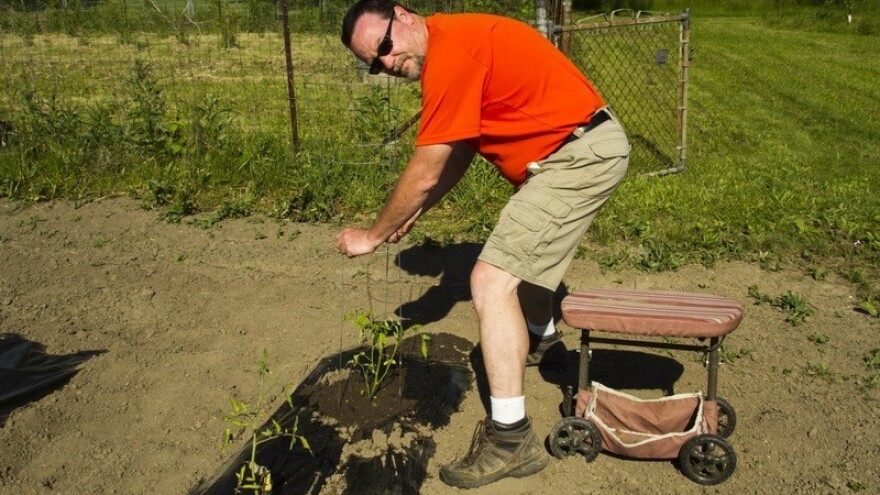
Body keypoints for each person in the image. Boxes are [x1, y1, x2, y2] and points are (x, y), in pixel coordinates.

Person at [336, 0, 629, 488]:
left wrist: (373, 235)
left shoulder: (452, 55)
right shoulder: (456, 41)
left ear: (403, 14)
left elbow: (428, 167)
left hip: (577, 156)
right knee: (520, 257)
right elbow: (457, 153)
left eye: (384, 46)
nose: (386, 63)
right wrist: (413, 213)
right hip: (573, 149)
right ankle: (545, 340)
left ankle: (511, 439)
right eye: (374, 62)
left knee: (490, 281)